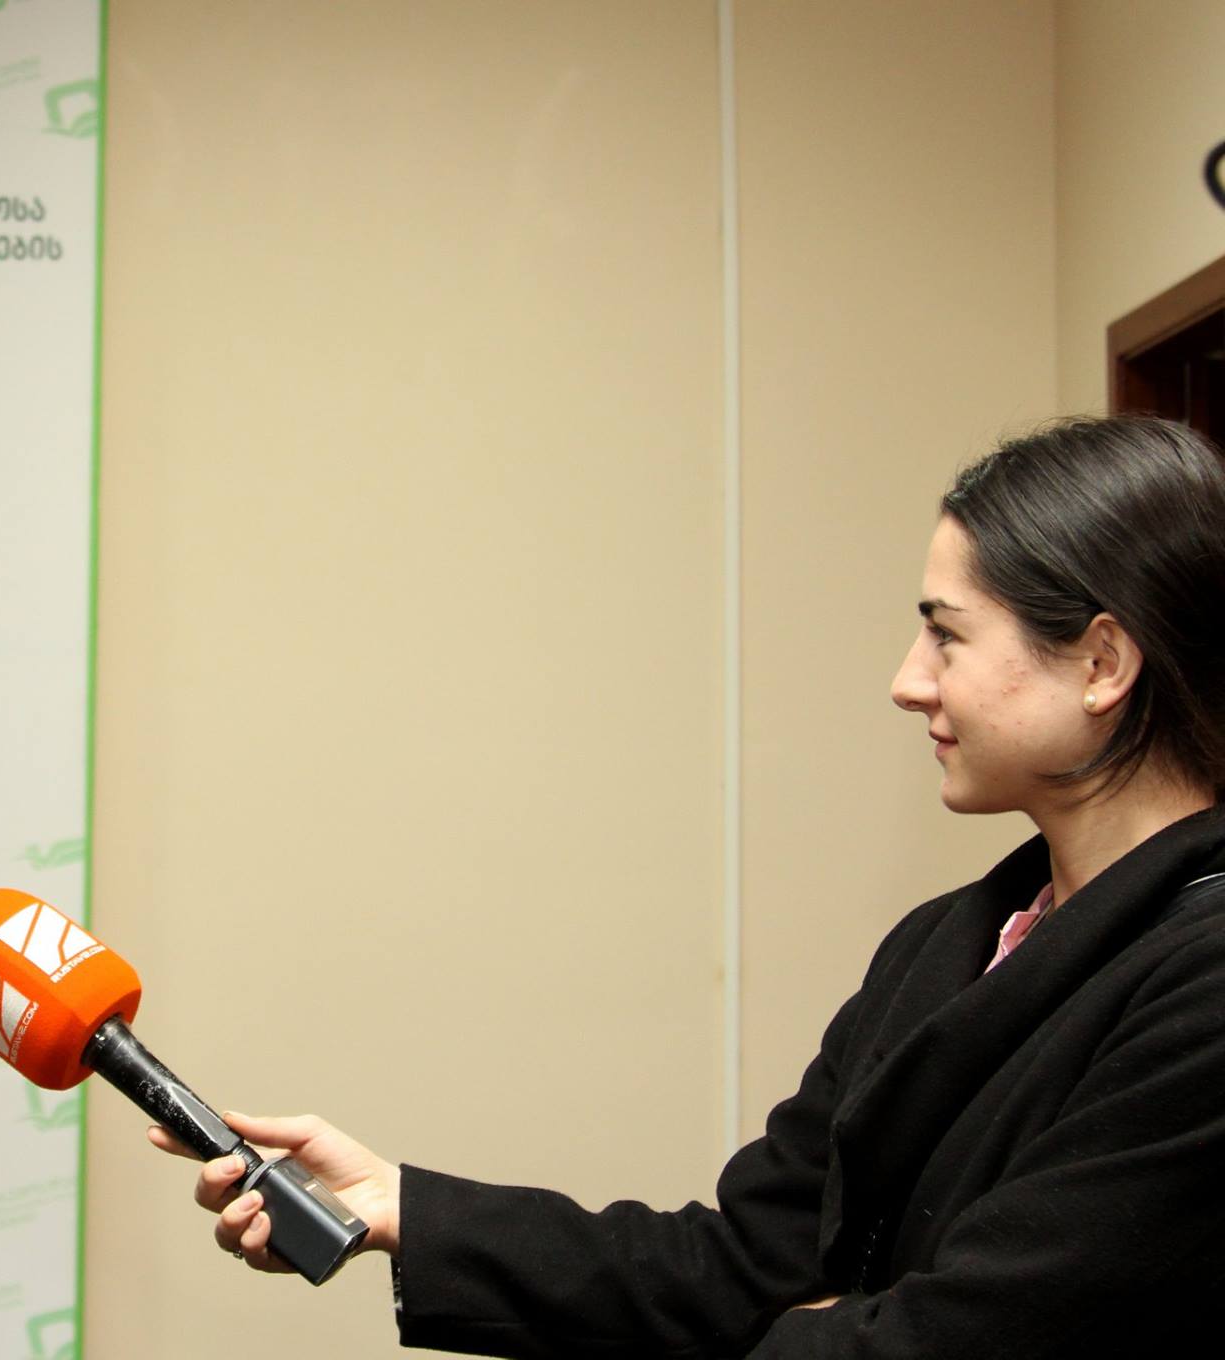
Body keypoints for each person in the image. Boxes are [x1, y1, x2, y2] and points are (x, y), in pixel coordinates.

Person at [154, 415, 1225, 1357]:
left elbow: (960, 1335)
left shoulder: (1203, 985)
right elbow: (740, 1268)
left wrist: (829, 1317)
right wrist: (404, 1208)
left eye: (946, 633)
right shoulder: (943, 942)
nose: (907, 680)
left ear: (1100, 664)